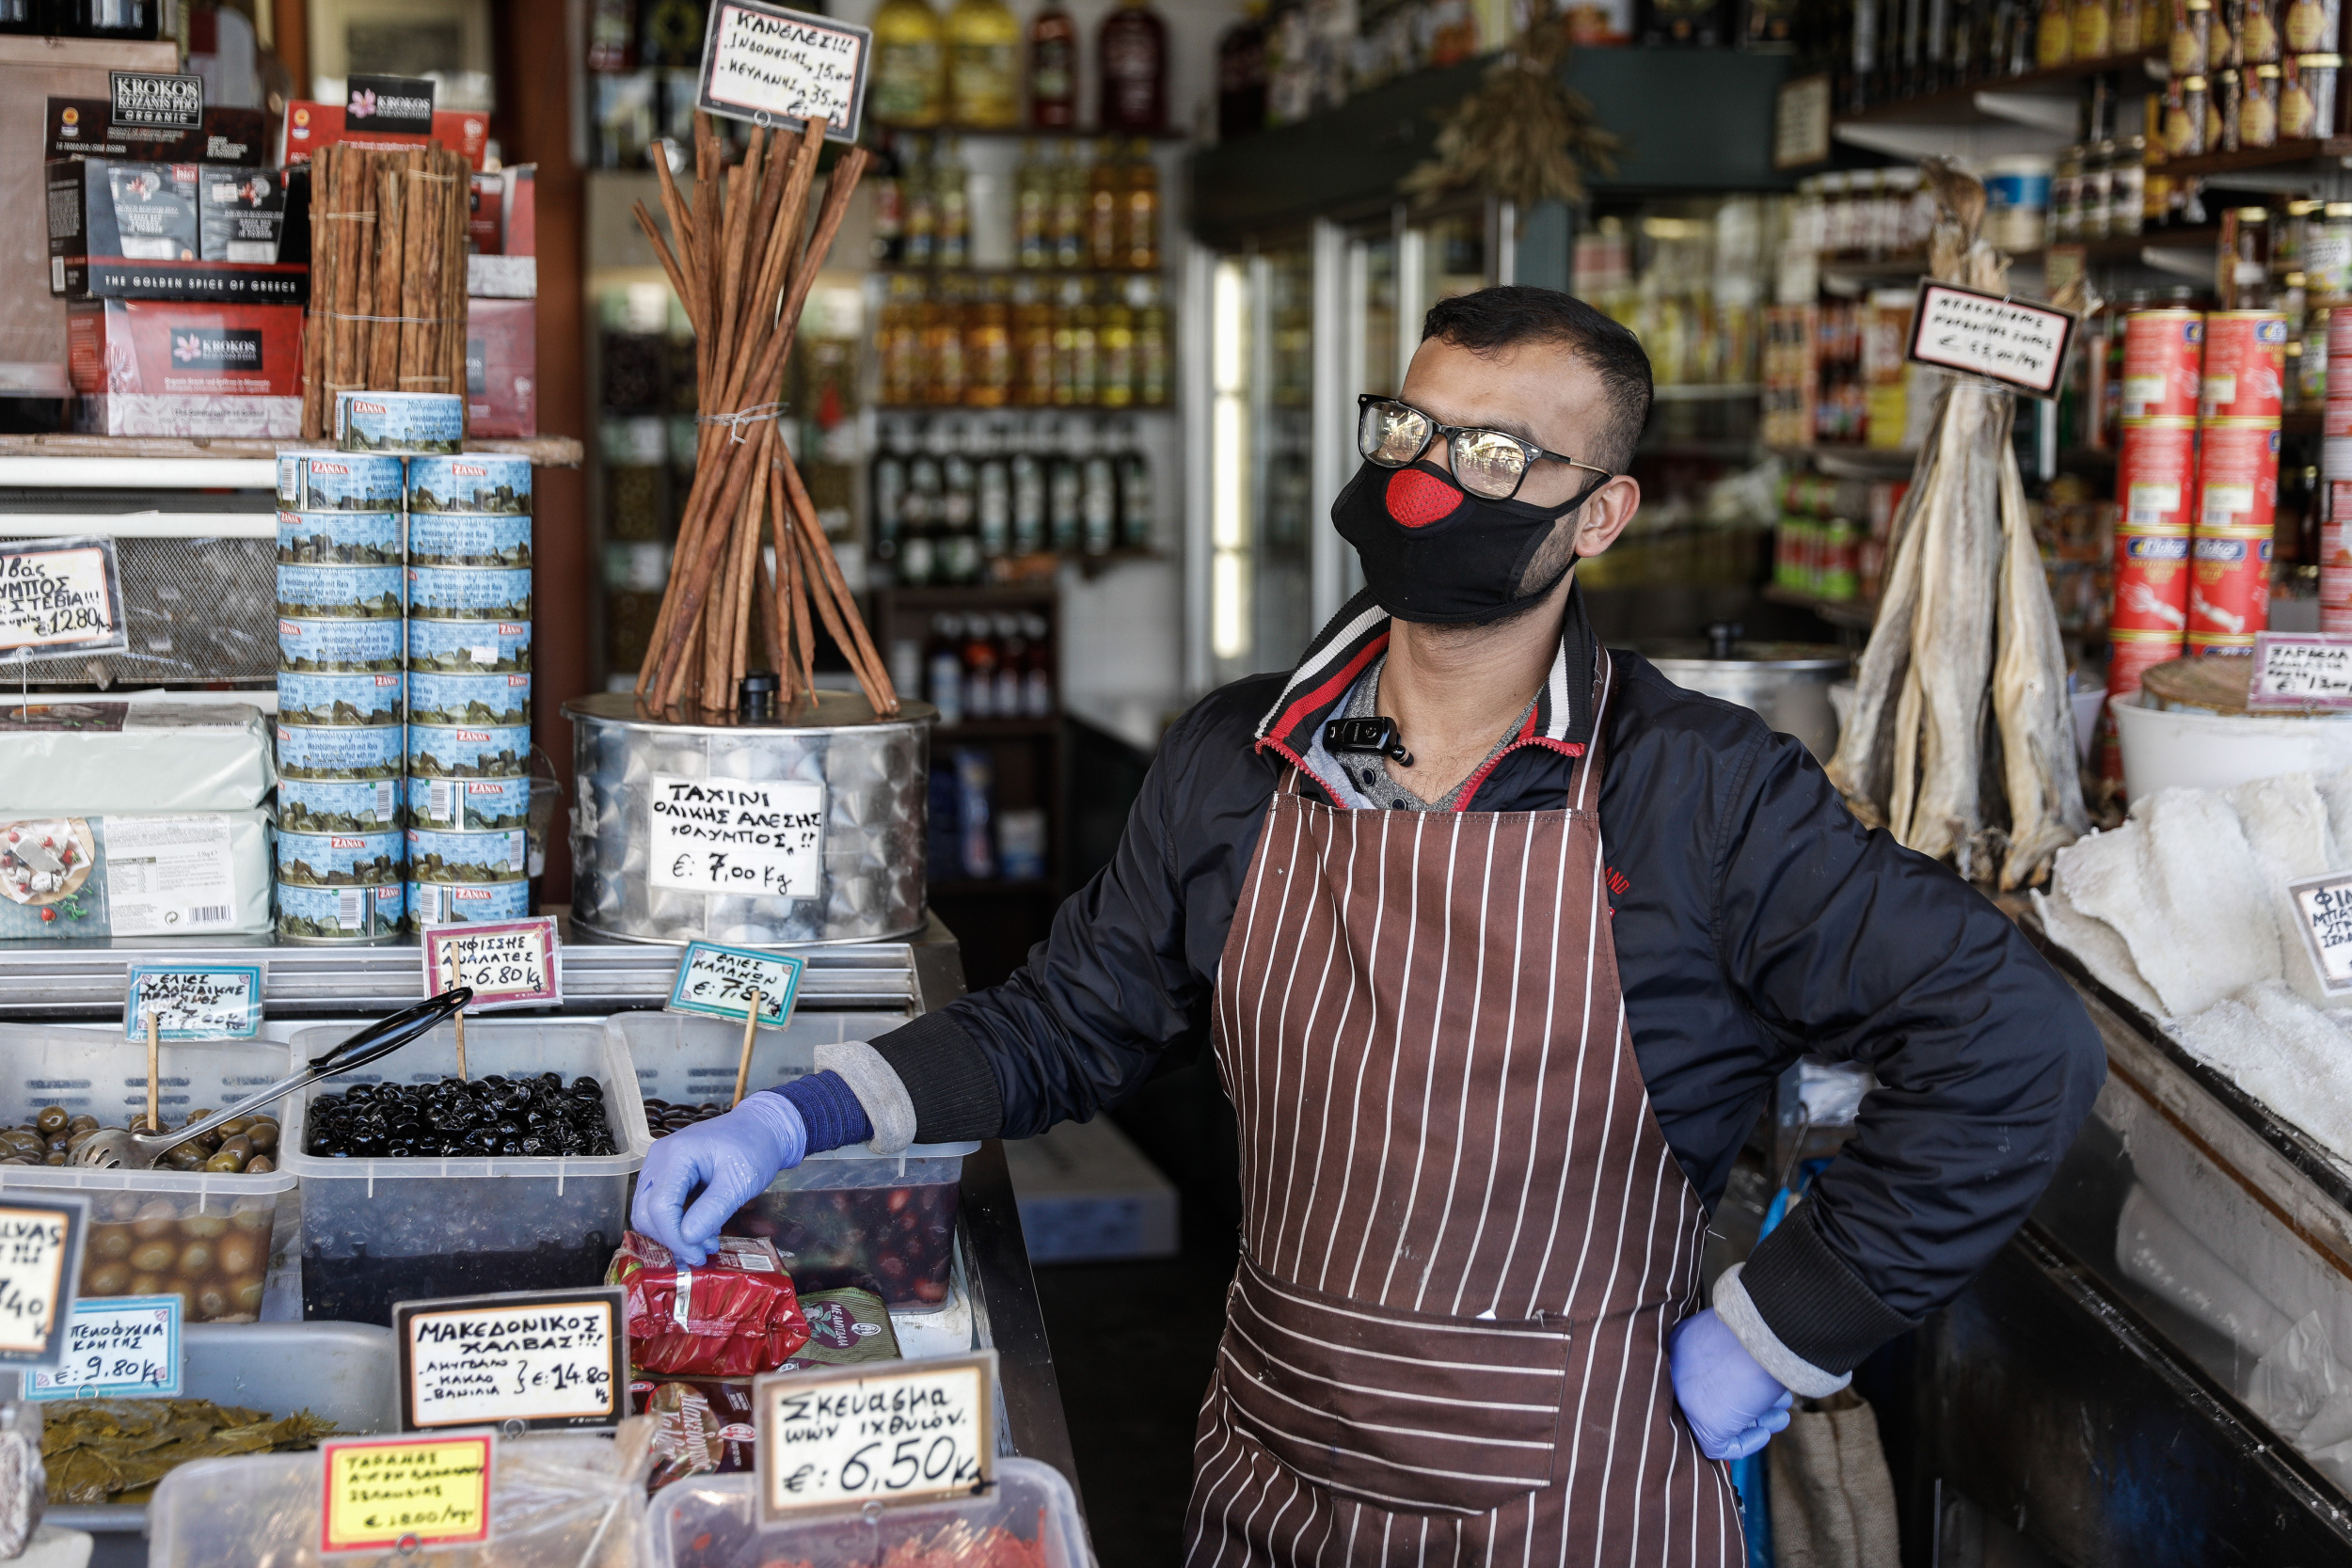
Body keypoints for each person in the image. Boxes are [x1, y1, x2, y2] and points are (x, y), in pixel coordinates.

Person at [633, 285, 2105, 1563]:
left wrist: (1787, 1323)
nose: (1425, 478)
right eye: (1407, 430)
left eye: (1490, 453)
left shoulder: (1697, 794)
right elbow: (1069, 1019)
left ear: (1598, 512)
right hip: (1278, 1462)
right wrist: (798, 1120)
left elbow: (2016, 1044)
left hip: (1573, 1493)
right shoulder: (1238, 757)